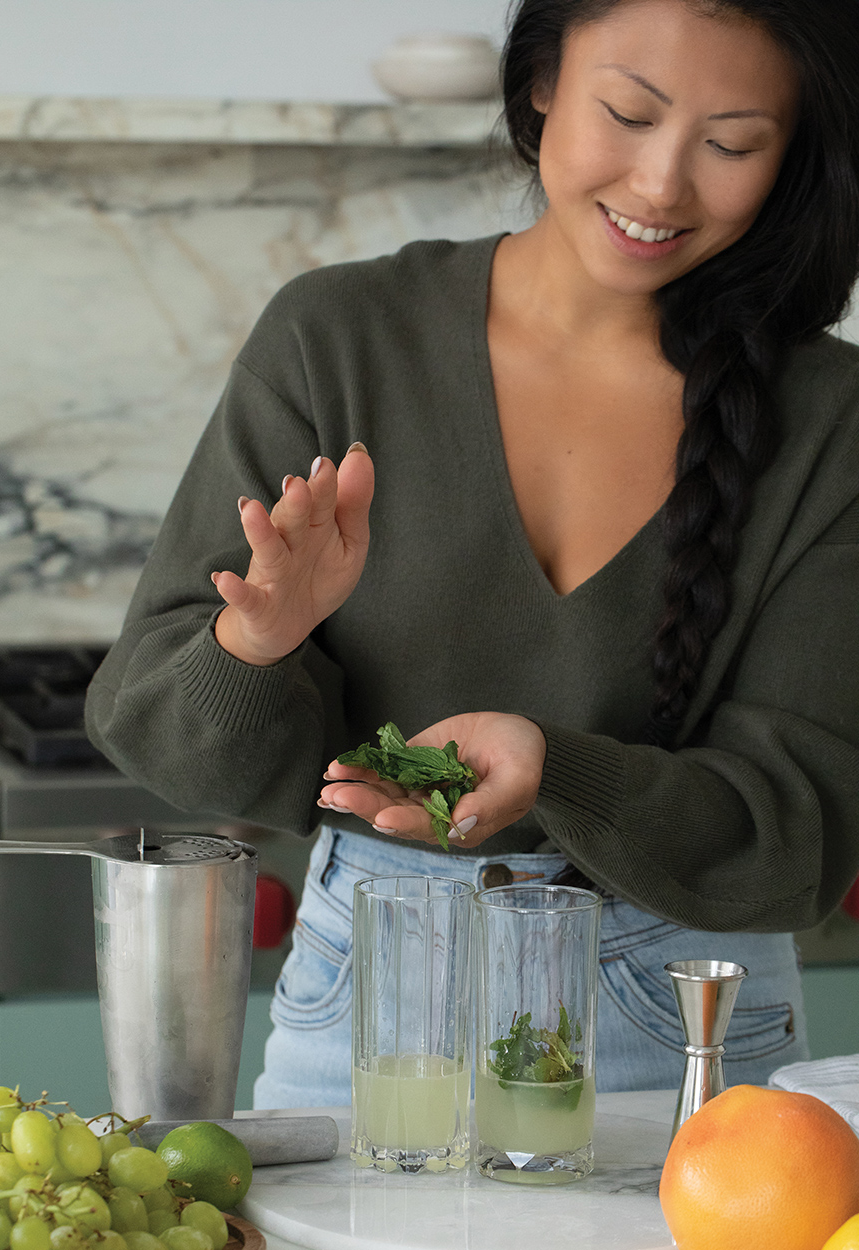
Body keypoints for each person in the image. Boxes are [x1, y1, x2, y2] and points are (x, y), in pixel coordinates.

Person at [85, 0, 859, 1107]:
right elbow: (158, 730)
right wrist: (254, 640)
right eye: (628, 113)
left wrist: (560, 767)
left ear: (792, 159)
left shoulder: (831, 419)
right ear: (542, 80)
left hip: (681, 1012)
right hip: (373, 995)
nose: (660, 185)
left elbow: (805, 828)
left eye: (731, 144)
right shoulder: (335, 338)